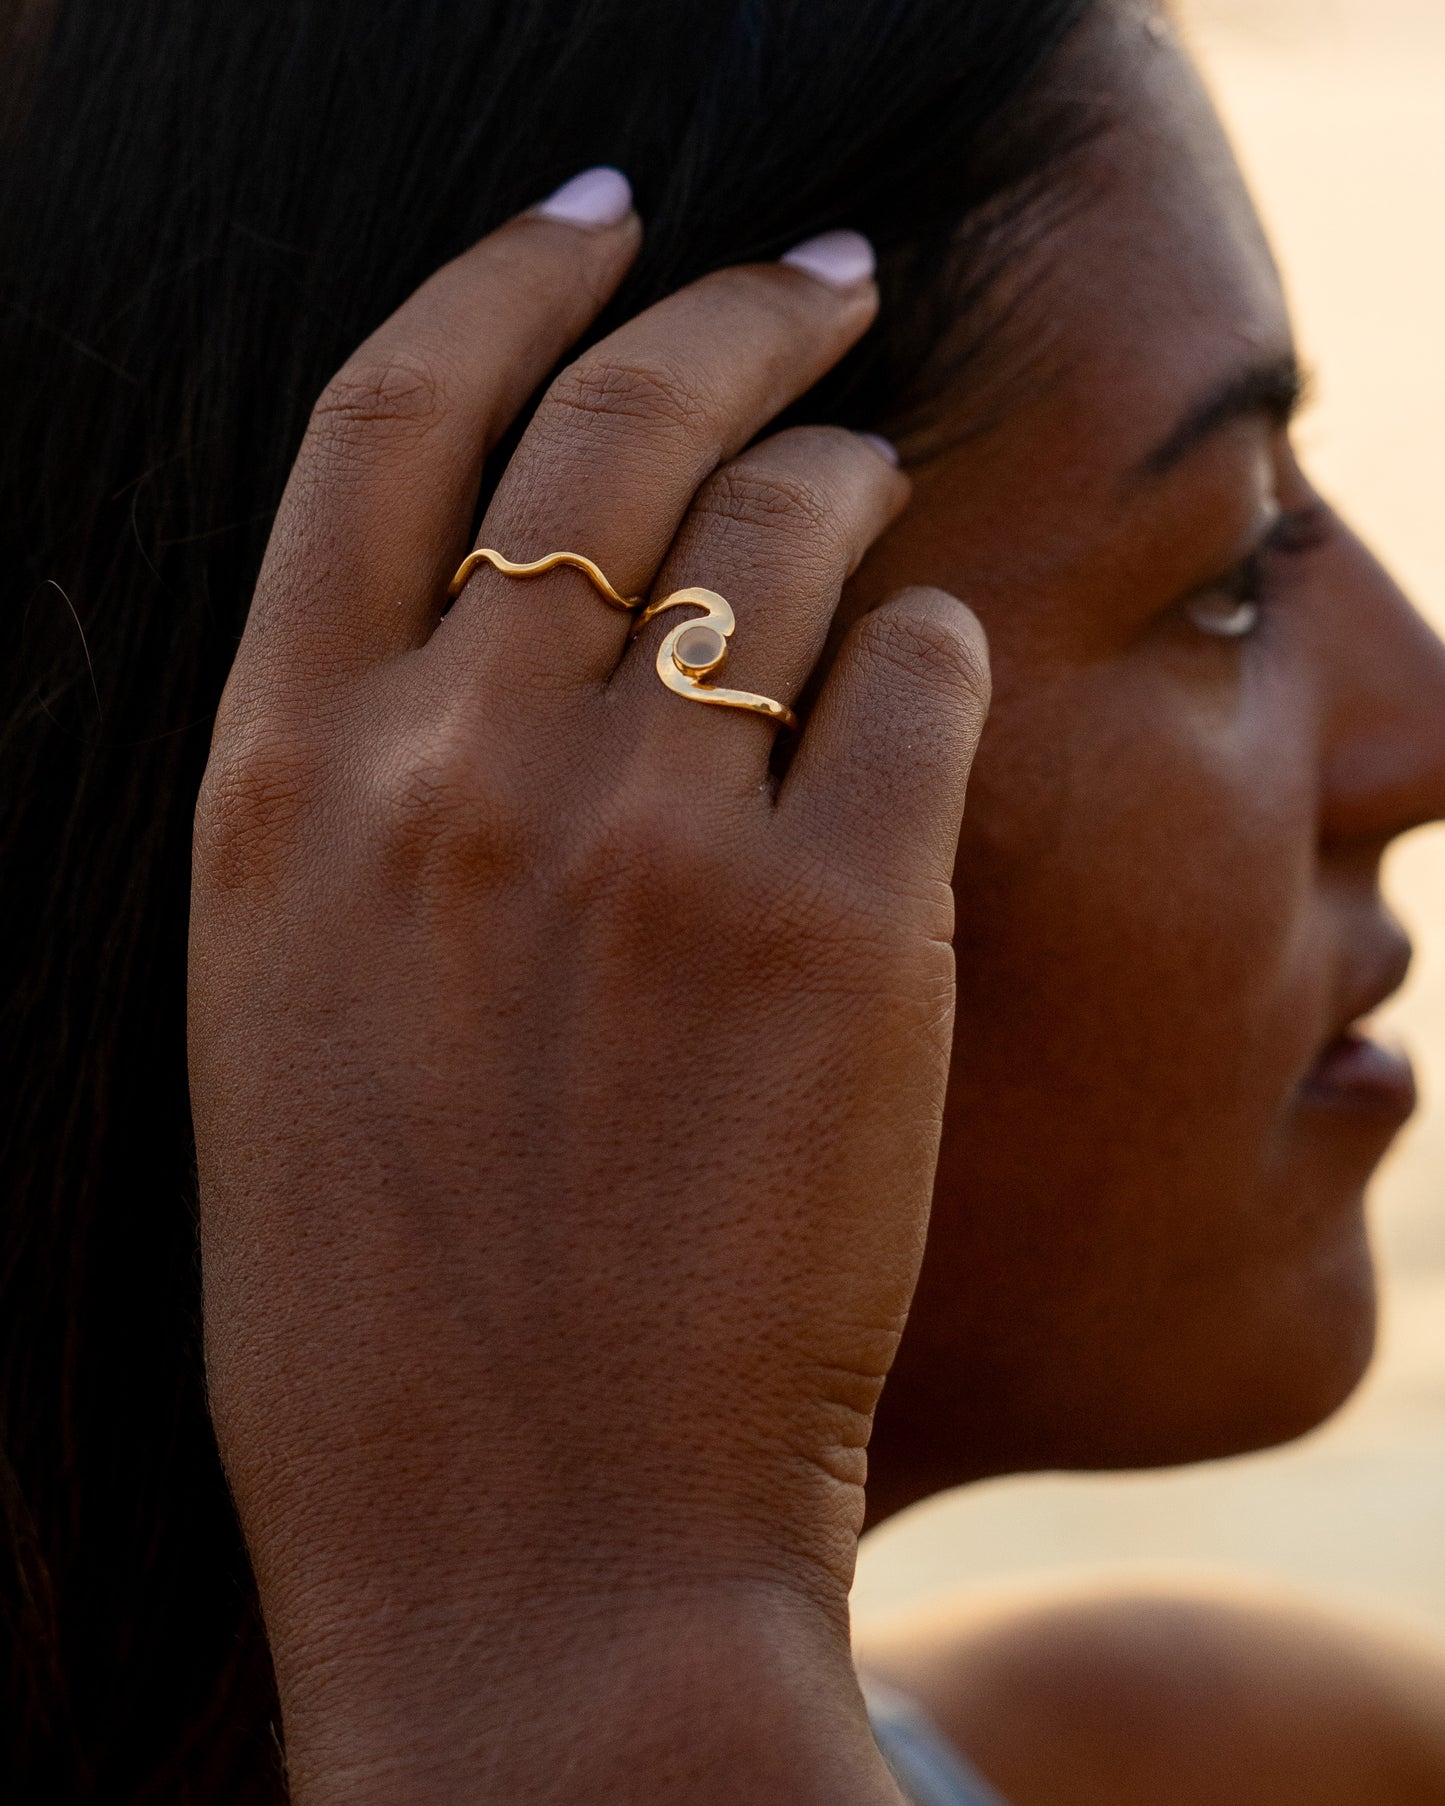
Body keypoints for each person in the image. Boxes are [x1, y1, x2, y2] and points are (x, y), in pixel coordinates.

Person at [3, 0, 1445, 1798]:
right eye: (1229, 569)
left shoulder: (1192, 1742)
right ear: (464, 818)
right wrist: (590, 1631)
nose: (1419, 741)